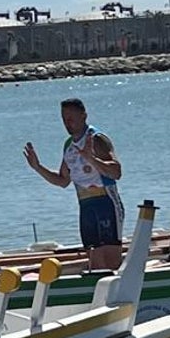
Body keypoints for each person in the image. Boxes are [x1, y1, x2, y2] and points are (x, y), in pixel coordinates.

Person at [23, 98, 124, 270]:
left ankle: (120, 290)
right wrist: (38, 167)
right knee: (94, 258)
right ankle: (100, 291)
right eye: (64, 119)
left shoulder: (97, 139)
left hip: (106, 202)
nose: (67, 123)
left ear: (84, 116)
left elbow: (116, 172)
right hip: (85, 206)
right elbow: (62, 181)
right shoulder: (69, 146)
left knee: (111, 258)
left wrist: (91, 158)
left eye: (71, 118)